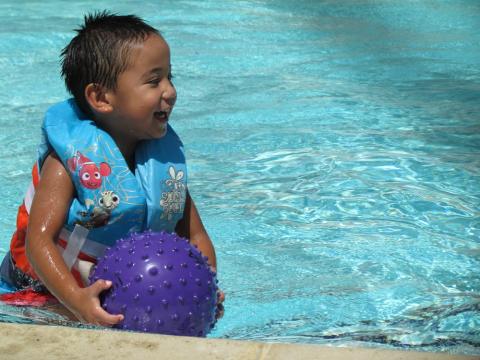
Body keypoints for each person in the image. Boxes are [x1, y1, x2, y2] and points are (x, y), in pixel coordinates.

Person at [0, 11, 224, 326]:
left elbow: (196, 235)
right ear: (101, 97)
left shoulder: (159, 166)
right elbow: (39, 242)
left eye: (170, 77)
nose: (170, 91)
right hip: (35, 293)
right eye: (154, 80)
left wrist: (207, 286)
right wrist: (77, 300)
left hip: (118, 291)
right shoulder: (66, 165)